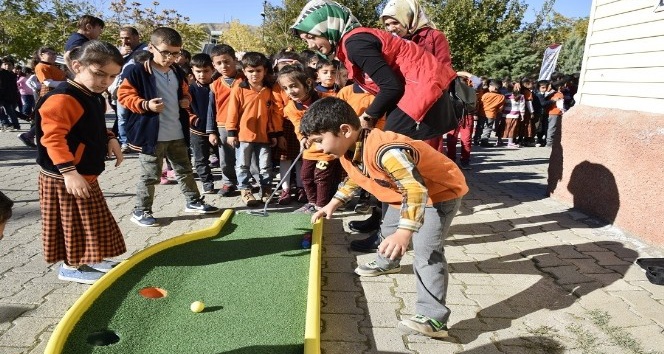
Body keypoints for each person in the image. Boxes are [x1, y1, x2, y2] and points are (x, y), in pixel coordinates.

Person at [292, 0, 457, 253]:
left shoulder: (353, 42)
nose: (311, 45)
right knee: (376, 162)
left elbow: (391, 87)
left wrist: (367, 116)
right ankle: (384, 226)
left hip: (421, 96)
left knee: (381, 161)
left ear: (328, 26)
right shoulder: (352, 42)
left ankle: (397, 235)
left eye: (311, 37)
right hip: (416, 95)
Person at [304, 97, 467, 338]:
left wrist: (405, 232)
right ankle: (387, 263)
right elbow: (355, 177)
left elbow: (415, 190)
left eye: (319, 140)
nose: (319, 148)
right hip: (398, 192)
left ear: (345, 130)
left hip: (438, 194)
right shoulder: (348, 148)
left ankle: (433, 318)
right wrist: (333, 204)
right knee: (388, 229)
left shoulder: (387, 151)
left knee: (426, 252)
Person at [34, 40, 126, 284]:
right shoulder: (63, 98)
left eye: (112, 76)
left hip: (85, 172)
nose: (105, 81)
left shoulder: (94, 95)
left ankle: (92, 258)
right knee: (73, 224)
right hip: (64, 176)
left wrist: (110, 138)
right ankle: (71, 266)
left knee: (91, 220)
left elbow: (90, 126)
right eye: (99, 74)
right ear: (77, 66)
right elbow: (52, 138)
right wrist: (69, 172)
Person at [118, 27, 219, 227]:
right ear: (151, 47)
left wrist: (186, 99)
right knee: (150, 176)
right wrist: (146, 105)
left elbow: (185, 92)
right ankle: (141, 210)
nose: (171, 57)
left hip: (177, 131)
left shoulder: (177, 71)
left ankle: (193, 201)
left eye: (176, 53)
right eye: (165, 52)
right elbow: (123, 96)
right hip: (151, 134)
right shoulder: (136, 70)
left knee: (185, 170)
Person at [380, 0, 455, 149]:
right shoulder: (390, 42)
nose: (391, 28)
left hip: (429, 105)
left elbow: (444, 70)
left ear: (408, 17)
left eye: (395, 22)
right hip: (401, 102)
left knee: (428, 155)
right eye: (387, 25)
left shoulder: (434, 36)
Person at [277, 64, 341, 213]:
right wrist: (302, 138)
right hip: (309, 150)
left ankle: (321, 206)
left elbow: (332, 123)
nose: (290, 91)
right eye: (285, 88)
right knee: (305, 177)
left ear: (308, 83)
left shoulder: (326, 100)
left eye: (293, 86)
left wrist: (315, 136)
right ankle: (312, 202)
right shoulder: (290, 108)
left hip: (327, 149)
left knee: (322, 177)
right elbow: (298, 125)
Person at [226, 52, 282, 207]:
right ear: (244, 71)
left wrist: (274, 133)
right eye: (250, 71)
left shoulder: (269, 90)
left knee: (265, 166)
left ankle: (266, 190)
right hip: (244, 136)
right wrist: (231, 132)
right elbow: (232, 112)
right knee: (242, 165)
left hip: (264, 136)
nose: (254, 74)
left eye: (258, 70)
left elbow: (273, 114)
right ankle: (245, 190)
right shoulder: (239, 89)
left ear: (264, 71)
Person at [206, 44, 245, 197]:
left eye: (227, 61)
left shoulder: (245, 79)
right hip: (222, 126)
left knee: (245, 156)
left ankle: (247, 182)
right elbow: (211, 110)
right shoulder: (215, 85)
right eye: (219, 63)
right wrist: (211, 132)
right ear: (214, 65)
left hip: (244, 125)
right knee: (226, 159)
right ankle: (229, 182)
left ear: (235, 60)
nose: (224, 66)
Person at [187, 53, 215, 194]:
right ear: (192, 70)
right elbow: (185, 109)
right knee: (201, 159)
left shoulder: (217, 87)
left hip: (217, 130)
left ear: (212, 70)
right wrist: (194, 120)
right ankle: (207, 182)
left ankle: (230, 181)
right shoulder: (189, 89)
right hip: (198, 131)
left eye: (206, 71)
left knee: (225, 157)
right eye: (198, 71)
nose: (202, 75)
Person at [478, 80, 505, 147]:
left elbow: (480, 103)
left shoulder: (486, 94)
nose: (488, 87)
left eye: (489, 86)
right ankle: (484, 141)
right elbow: (500, 108)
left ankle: (476, 140)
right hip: (491, 115)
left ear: (494, 87)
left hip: (482, 113)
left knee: (479, 127)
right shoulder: (501, 97)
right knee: (487, 128)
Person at [501, 82, 526, 148]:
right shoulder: (521, 96)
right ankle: (510, 143)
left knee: (503, 128)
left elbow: (503, 105)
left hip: (505, 115)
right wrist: (522, 115)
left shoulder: (506, 95)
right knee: (512, 129)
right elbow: (522, 106)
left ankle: (499, 140)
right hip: (515, 115)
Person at [0, 56, 21, 131]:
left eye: (9, 65)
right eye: (5, 64)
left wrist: (15, 96)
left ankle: (13, 125)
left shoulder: (12, 75)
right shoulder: (2, 73)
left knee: (10, 111)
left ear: (12, 66)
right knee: (7, 111)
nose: (7, 66)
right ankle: (8, 124)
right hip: (3, 95)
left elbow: (13, 87)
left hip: (8, 96)